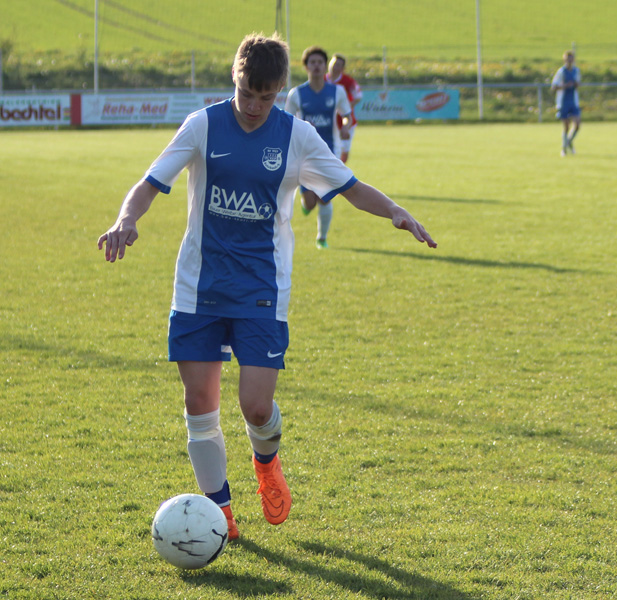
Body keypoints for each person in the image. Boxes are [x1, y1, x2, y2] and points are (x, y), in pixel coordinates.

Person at [97, 32, 436, 540]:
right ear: (234, 78)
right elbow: (149, 183)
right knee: (199, 405)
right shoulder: (203, 125)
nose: (254, 106)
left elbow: (348, 186)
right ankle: (221, 516)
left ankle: (266, 462)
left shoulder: (296, 136)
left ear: (280, 90)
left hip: (262, 288)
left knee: (256, 407)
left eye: (266, 96)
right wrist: (126, 219)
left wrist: (395, 210)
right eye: (246, 93)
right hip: (199, 287)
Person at [285, 45, 353, 249]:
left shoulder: (337, 91)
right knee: (310, 202)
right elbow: (287, 122)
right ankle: (306, 204)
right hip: (304, 154)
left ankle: (322, 238)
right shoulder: (296, 94)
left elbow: (347, 115)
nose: (316, 66)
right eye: (312, 62)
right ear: (306, 66)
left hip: (329, 151)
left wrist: (345, 126)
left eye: (320, 62)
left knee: (325, 197)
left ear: (325, 66)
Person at [327, 53, 363, 164]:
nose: (334, 67)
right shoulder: (321, 80)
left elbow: (358, 96)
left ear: (342, 68)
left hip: (346, 122)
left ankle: (339, 171)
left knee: (344, 151)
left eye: (338, 65)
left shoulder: (348, 81)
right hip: (327, 122)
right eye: (333, 63)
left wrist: (345, 108)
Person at [551, 50, 581, 157]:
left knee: (577, 125)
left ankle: (568, 142)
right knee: (566, 126)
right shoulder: (561, 71)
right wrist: (564, 86)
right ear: (565, 60)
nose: (570, 61)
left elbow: (578, 83)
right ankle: (564, 149)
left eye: (571, 59)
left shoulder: (576, 71)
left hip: (573, 101)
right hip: (563, 102)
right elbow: (554, 87)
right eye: (568, 59)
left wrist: (576, 84)